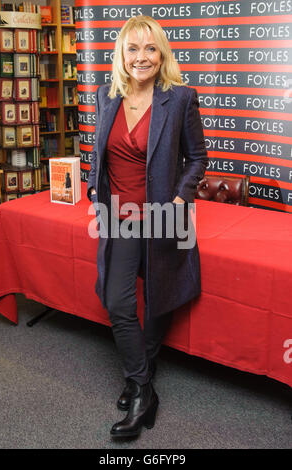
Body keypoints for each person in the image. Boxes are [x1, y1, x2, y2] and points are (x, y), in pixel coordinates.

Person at [87, 15, 208, 438]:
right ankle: (143, 385)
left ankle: (138, 386)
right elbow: (99, 153)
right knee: (118, 302)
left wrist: (178, 200)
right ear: (121, 53)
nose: (142, 57)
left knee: (158, 298)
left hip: (163, 217)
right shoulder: (106, 95)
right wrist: (92, 190)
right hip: (118, 219)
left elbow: (197, 159)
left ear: (162, 54)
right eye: (133, 48)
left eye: (150, 48)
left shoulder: (180, 98)